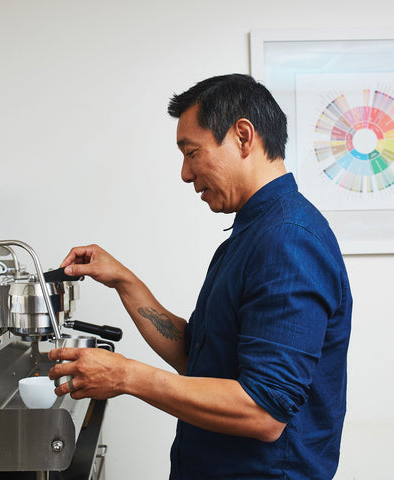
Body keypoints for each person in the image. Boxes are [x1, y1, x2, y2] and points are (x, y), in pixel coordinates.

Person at [48, 74, 352, 479]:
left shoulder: (288, 241)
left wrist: (125, 375)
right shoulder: (252, 233)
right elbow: (198, 356)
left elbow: (263, 411)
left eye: (192, 152)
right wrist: (124, 280)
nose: (185, 174)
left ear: (243, 136)